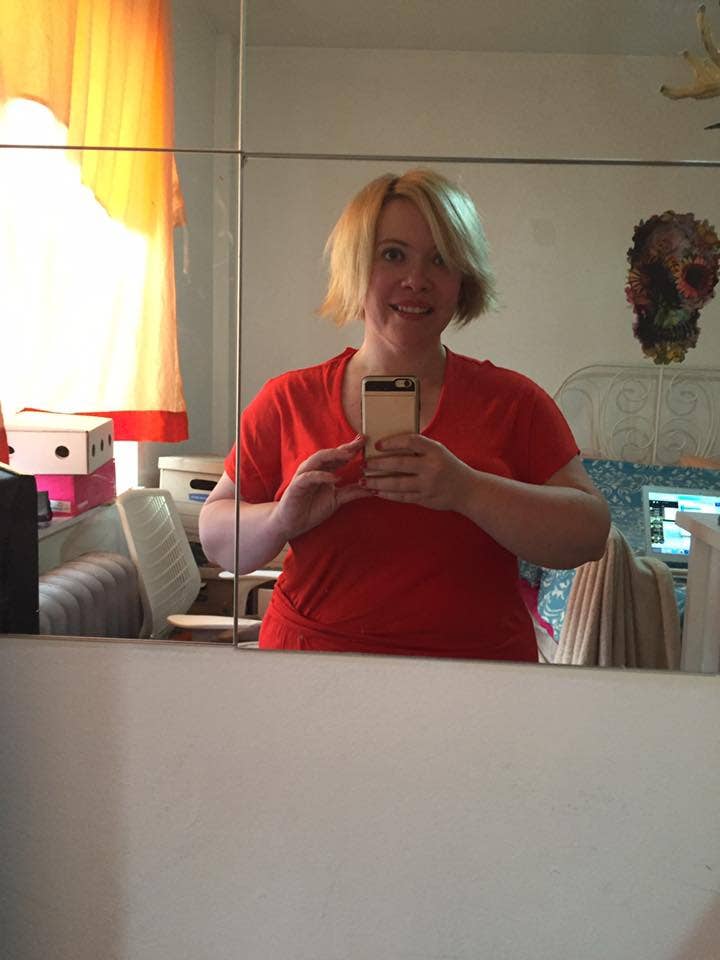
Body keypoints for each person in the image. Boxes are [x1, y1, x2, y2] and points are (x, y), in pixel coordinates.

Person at [199, 169, 610, 661]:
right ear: (356, 265)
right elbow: (218, 542)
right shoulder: (289, 400)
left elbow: (589, 534)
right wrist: (282, 518)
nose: (417, 280)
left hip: (477, 676)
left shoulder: (514, 403)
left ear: (463, 278)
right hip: (309, 669)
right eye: (393, 255)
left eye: (441, 260)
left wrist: (466, 490)